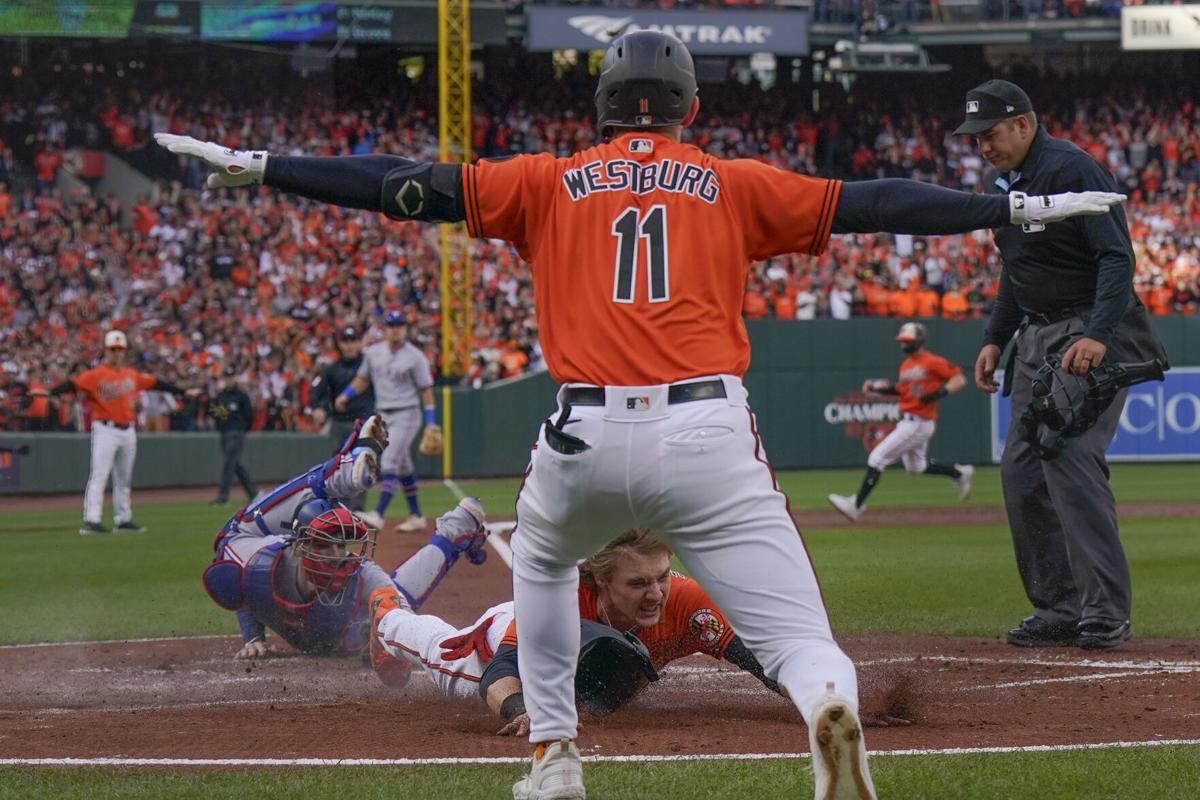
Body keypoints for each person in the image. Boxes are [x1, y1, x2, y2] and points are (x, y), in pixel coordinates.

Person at [156, 33, 1122, 797]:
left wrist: (268, 163)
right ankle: (826, 707)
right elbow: (875, 202)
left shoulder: (542, 178)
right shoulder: (733, 181)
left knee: (535, 560)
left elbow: (401, 184)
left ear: (601, 110)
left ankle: (555, 759)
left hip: (580, 429)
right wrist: (1001, 212)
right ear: (692, 108)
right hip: (708, 429)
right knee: (795, 638)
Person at [961, 80, 1169, 652]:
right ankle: (1060, 606)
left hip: (1093, 325)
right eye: (974, 138)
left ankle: (1105, 610)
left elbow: (1115, 257)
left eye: (990, 134)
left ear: (1024, 124)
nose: (982, 146)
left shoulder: (1072, 168)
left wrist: (1100, 334)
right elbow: (1016, 268)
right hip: (1037, 332)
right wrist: (994, 338)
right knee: (1022, 470)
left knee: (1070, 454)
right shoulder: (1001, 182)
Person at [368, 528, 787, 735]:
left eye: (661, 577)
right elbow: (501, 670)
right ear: (599, 581)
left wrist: (819, 696)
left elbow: (759, 658)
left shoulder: (685, 600)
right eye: (638, 583)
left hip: (571, 656)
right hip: (513, 650)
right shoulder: (560, 596)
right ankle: (387, 616)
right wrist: (520, 711)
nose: (656, 593)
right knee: (443, 655)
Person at [202, 415, 489, 660]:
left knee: (391, 613)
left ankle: (453, 531)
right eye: (326, 543)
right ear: (300, 546)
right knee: (229, 538)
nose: (338, 554)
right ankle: (342, 472)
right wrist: (253, 639)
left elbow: (403, 619)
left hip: (341, 634)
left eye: (342, 544)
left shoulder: (362, 575)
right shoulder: (264, 563)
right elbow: (240, 586)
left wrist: (389, 642)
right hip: (278, 556)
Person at [49, 330, 198, 535]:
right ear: (106, 350)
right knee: (99, 475)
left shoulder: (131, 375)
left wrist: (182, 392)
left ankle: (123, 519)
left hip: (128, 431)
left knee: (124, 478)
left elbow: (156, 384)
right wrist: (51, 392)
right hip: (105, 429)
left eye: (120, 349)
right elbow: (72, 384)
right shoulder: (95, 375)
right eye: (113, 349)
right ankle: (92, 520)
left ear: (125, 351)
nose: (116, 353)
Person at [828, 321, 974, 522]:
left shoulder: (931, 361)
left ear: (919, 340)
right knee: (916, 467)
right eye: (902, 341)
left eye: (908, 340)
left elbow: (959, 378)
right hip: (912, 420)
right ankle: (959, 473)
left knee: (877, 458)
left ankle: (856, 505)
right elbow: (901, 390)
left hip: (918, 422)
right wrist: (876, 389)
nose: (903, 344)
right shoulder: (906, 365)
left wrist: (938, 394)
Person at [334, 310, 437, 532]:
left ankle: (378, 514)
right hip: (383, 415)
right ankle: (417, 515)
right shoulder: (373, 353)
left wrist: (431, 422)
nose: (395, 329)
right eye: (392, 325)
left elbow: (426, 390)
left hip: (407, 413)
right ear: (385, 328)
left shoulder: (415, 356)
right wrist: (346, 395)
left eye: (400, 325)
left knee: (389, 462)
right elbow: (362, 379)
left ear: (406, 329)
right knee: (403, 466)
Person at [309, 324, 375, 513]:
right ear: (340, 343)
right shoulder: (332, 369)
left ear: (359, 342)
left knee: (362, 464)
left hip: (363, 423)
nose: (349, 345)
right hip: (340, 423)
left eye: (353, 340)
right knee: (339, 467)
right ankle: (339, 508)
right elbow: (317, 392)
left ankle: (358, 509)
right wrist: (318, 408)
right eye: (345, 341)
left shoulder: (368, 365)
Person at [208, 366, 258, 506]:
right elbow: (215, 413)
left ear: (234, 378)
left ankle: (223, 498)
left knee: (229, 465)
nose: (228, 380)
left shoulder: (241, 395)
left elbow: (249, 415)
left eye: (230, 377)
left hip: (236, 433)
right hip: (224, 433)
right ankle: (254, 494)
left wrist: (242, 430)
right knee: (235, 465)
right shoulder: (221, 395)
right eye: (226, 377)